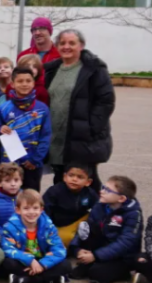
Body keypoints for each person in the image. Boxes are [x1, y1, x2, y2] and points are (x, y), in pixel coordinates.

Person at [44, 29, 115, 186]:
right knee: (61, 180)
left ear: (81, 45)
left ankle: (96, 210)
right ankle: (61, 211)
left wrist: (91, 128)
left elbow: (106, 101)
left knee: (85, 181)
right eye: (62, 43)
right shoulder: (52, 69)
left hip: (82, 138)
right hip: (58, 137)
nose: (66, 47)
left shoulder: (94, 69)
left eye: (72, 43)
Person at [69, 176, 142, 283]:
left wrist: (96, 255)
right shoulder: (100, 205)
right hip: (103, 247)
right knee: (90, 227)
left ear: (121, 198)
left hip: (122, 256)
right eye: (103, 187)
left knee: (97, 274)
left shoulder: (133, 214)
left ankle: (122, 271)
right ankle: (91, 261)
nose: (101, 191)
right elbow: (86, 229)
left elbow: (125, 243)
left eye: (107, 190)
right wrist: (77, 249)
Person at [0, 189, 70, 283]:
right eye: (26, 208)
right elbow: (8, 249)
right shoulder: (10, 227)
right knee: (8, 264)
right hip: (24, 261)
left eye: (35, 208)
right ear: (18, 210)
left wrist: (42, 264)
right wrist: (30, 261)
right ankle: (50, 279)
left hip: (43, 260)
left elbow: (59, 249)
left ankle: (25, 279)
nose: (31, 212)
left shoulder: (48, 226)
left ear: (41, 210)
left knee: (66, 265)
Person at [0, 67, 51, 191]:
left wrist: (36, 159)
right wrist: (0, 129)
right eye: (20, 81)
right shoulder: (4, 108)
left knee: (31, 197)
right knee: (8, 195)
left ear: (33, 83)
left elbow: (46, 136)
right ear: (12, 84)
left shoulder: (42, 108)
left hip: (32, 163)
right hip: (9, 163)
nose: (24, 84)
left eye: (28, 81)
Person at [43, 163, 98, 246]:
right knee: (62, 241)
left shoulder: (89, 193)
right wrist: (48, 228)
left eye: (80, 177)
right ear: (65, 177)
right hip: (61, 224)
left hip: (80, 221)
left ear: (88, 182)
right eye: (71, 175)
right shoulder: (54, 191)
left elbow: (98, 207)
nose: (74, 179)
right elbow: (45, 211)